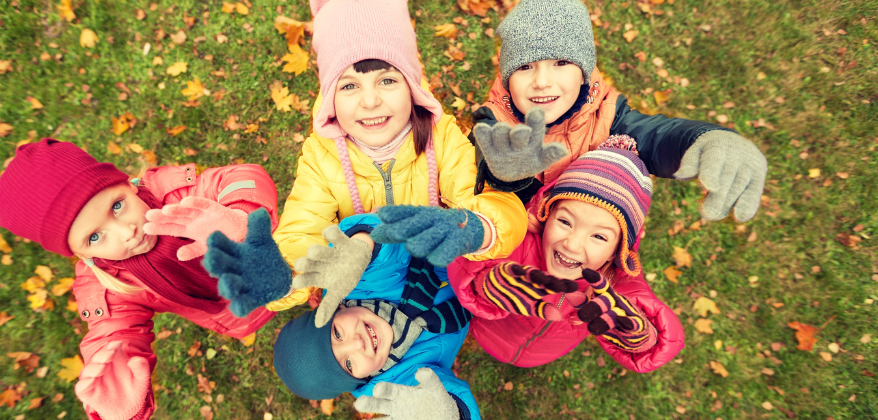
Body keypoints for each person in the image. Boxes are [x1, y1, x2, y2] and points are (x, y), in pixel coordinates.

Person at [237, 0, 528, 319]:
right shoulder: (321, 156)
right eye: (349, 85)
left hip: (435, 289)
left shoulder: (442, 138)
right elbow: (302, 228)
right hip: (362, 295)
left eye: (387, 80)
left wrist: (480, 227)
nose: (371, 100)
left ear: (411, 87)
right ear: (330, 98)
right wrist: (284, 272)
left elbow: (492, 203)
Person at [0, 139, 282, 420]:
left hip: (278, 259)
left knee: (294, 279)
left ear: (127, 184)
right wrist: (119, 404)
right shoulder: (105, 285)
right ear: (78, 254)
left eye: (117, 206)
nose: (126, 232)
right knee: (264, 307)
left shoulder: (173, 195)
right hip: (235, 316)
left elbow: (243, 177)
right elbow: (114, 333)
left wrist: (239, 215)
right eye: (94, 237)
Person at [470, 0, 767, 222]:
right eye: (524, 67)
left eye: (560, 63)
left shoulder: (608, 116)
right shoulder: (493, 123)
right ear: (508, 79)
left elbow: (655, 137)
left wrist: (703, 138)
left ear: (584, 72)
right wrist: (508, 178)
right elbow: (479, 193)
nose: (542, 81)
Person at [204, 212, 481, 420]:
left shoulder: (357, 285)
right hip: (481, 293)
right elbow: (448, 395)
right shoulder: (393, 381)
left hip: (460, 236)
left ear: (337, 309)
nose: (358, 344)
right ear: (361, 381)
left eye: (337, 334)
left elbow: (384, 244)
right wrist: (450, 413)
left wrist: (362, 246)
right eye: (348, 363)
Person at [447, 136, 684, 371]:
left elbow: (655, 328)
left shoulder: (617, 290)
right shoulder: (517, 239)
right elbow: (464, 259)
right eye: (565, 221)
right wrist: (485, 283)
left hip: (544, 352)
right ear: (546, 213)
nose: (572, 244)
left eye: (599, 236)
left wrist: (643, 338)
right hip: (488, 330)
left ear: (616, 252)